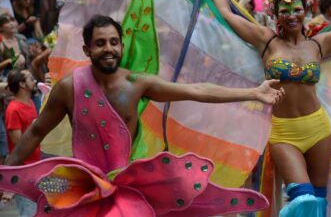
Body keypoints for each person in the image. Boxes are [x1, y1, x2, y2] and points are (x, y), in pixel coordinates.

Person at [0, 15, 281, 215]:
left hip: (129, 187)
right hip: (79, 185)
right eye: (100, 43)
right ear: (87, 49)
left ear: (122, 46)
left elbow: (196, 90)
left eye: (114, 42)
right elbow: (36, 132)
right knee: (44, 188)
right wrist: (8, 176)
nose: (109, 48)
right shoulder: (68, 88)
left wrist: (254, 93)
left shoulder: (137, 84)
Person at [203, 0, 331, 215]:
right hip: (282, 133)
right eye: (284, 9)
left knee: (318, 202)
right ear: (275, 13)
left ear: (305, 9)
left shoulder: (318, 44)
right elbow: (226, 14)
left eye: (296, 9)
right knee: (302, 199)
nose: (291, 15)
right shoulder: (265, 41)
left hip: (318, 129)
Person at [4, 69, 40, 216]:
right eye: (31, 79)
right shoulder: (13, 109)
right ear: (22, 84)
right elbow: (18, 143)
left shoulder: (31, 103)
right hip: (22, 171)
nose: (35, 81)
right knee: (28, 212)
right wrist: (35, 127)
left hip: (35, 167)